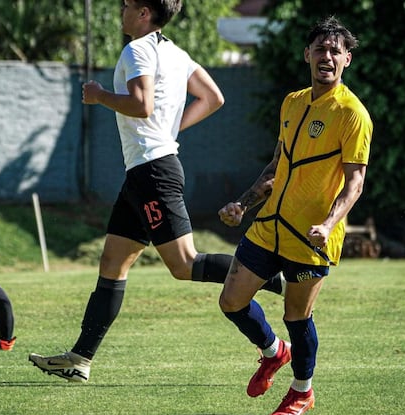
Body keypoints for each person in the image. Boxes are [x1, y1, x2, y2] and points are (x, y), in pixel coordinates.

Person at [28, 0, 283, 382]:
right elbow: (214, 98)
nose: (123, 11)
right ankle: (80, 358)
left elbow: (142, 104)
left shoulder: (137, 49)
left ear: (145, 13)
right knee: (113, 263)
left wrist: (98, 95)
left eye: (129, 5)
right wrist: (171, 130)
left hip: (153, 173)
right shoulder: (175, 52)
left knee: (184, 264)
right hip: (142, 173)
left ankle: (265, 273)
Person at [217, 16, 373, 415]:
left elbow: (354, 183)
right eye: (320, 49)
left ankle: (302, 390)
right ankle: (273, 352)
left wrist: (329, 224)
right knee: (232, 301)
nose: (327, 56)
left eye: (335, 51)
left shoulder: (353, 114)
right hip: (270, 225)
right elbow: (276, 166)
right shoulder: (292, 102)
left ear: (347, 60)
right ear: (307, 55)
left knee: (296, 315)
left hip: (311, 237)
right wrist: (242, 204)